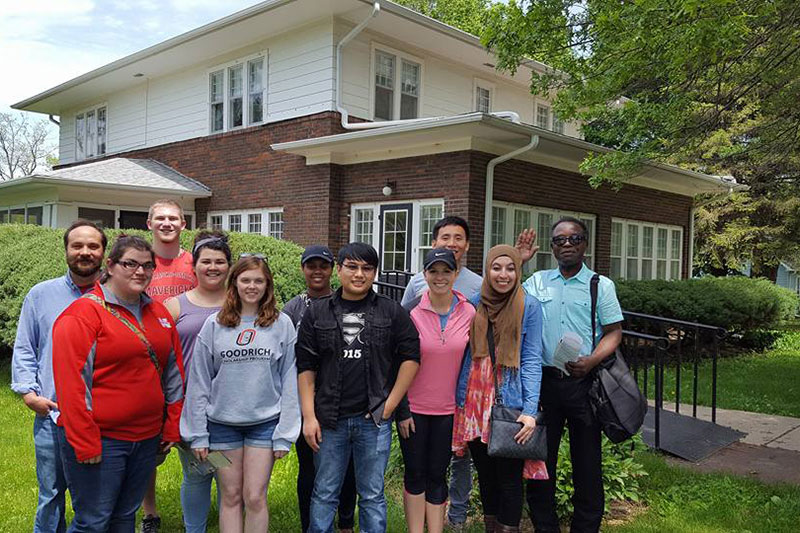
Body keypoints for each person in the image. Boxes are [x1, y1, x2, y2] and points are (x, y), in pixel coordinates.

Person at [400, 215, 538, 530]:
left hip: (492, 399)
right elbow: (404, 330)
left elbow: (513, 305)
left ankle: (458, 518)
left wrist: (530, 408)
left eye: (458, 237)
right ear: (433, 244)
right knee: (478, 470)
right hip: (466, 399)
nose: (451, 243)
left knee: (496, 474)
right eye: (445, 237)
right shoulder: (440, 298)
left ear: (467, 247)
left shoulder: (479, 298)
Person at [52, 234, 184, 533]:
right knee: (92, 521)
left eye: (147, 266)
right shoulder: (83, 315)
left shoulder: (159, 313)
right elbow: (71, 385)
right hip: (102, 440)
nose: (140, 272)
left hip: (146, 438)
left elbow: (174, 373)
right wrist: (85, 442)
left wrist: (172, 425)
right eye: (130, 264)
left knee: (126, 516)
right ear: (110, 266)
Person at [296, 242, 420, 533]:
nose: (359, 274)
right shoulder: (318, 313)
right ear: (339, 270)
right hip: (329, 419)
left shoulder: (392, 312)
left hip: (373, 421)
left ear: (374, 272)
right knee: (324, 494)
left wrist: (389, 405)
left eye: (367, 268)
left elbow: (411, 358)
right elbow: (305, 367)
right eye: (352, 266)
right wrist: (309, 416)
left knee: (372, 496)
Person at [181, 255, 300, 533]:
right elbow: (199, 382)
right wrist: (197, 433)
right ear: (234, 283)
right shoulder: (214, 324)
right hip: (221, 427)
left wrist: (286, 433)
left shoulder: (281, 324)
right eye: (245, 280)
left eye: (259, 280)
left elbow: (290, 380)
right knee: (231, 496)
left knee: (255, 496)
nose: (252, 286)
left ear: (267, 285)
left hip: (265, 425)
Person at [524, 217, 623, 533]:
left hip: (583, 384)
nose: (567, 244)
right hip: (544, 384)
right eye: (559, 240)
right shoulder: (537, 282)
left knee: (587, 463)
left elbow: (613, 332)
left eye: (574, 238)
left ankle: (586, 526)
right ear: (552, 247)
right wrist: (517, 260)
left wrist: (592, 360)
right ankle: (545, 527)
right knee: (541, 461)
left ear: (585, 243)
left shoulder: (600, 285)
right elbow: (503, 296)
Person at [11, 220, 107, 533]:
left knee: (94, 496)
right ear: (66, 250)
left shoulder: (115, 297)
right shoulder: (41, 295)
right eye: (77, 245)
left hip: (101, 415)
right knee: (51, 493)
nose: (85, 252)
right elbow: (25, 348)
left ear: (103, 252)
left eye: (93, 246)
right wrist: (29, 394)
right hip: (52, 412)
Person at [452, 245, 544, 533]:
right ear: (487, 270)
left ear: (518, 272)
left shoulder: (529, 306)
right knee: (486, 475)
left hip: (509, 401)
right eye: (496, 267)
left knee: (509, 478)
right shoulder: (474, 302)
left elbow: (531, 359)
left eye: (510, 268)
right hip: (475, 399)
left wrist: (530, 411)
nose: (503, 275)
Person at [397, 248, 476, 533]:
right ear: (424, 275)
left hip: (450, 411)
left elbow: (473, 363)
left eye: (446, 271)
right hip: (414, 410)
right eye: (433, 271)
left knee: (437, 474)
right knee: (416, 473)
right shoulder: (410, 312)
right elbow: (398, 364)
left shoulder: (469, 312)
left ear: (456, 274)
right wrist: (401, 409)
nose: (440, 277)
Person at [283, 245, 357, 533]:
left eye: (323, 266)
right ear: (303, 269)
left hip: (344, 399)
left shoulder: (345, 303)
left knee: (347, 468)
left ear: (332, 269)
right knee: (310, 469)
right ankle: (309, 525)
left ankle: (346, 522)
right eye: (311, 265)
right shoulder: (293, 308)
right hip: (308, 400)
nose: (317, 271)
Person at [163, 231, 231, 533]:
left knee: (228, 476)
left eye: (219, 261)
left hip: (234, 406)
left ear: (229, 266)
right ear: (194, 266)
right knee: (197, 473)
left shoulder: (241, 302)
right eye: (206, 261)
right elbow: (161, 360)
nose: (212, 267)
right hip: (190, 406)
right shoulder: (175, 306)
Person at [142, 199, 197, 532]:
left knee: (196, 439)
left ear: (183, 225)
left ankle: (215, 497)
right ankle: (150, 512)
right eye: (159, 218)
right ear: (149, 223)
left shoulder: (194, 262)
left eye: (173, 218)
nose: (166, 223)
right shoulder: (139, 262)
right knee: (150, 444)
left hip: (191, 360)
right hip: (149, 362)